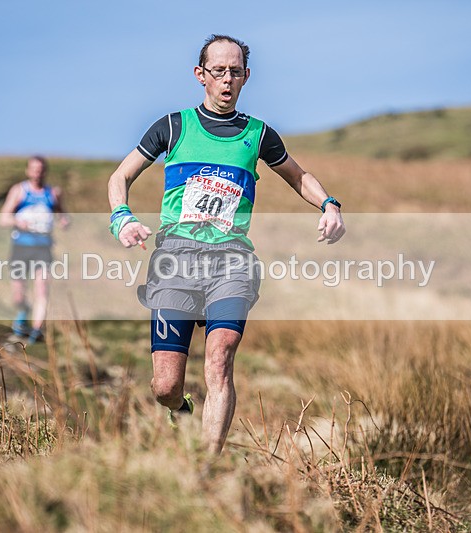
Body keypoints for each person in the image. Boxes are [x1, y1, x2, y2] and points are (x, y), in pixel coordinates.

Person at [107, 35, 345, 454]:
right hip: (175, 261)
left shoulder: (258, 134)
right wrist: (122, 217)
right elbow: (120, 176)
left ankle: (207, 467)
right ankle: (180, 409)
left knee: (220, 359)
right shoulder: (172, 126)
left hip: (232, 263)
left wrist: (329, 204)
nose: (227, 79)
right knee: (164, 385)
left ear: (246, 76)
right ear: (200, 75)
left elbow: (298, 176)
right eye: (218, 70)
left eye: (235, 71)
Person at [0, 155, 69, 345]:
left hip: (43, 248)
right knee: (18, 293)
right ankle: (23, 311)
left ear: (45, 171)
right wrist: (17, 221)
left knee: (42, 288)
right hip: (21, 246)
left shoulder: (52, 193)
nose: (37, 173)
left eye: (41, 169)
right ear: (28, 171)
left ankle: (36, 330)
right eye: (34, 169)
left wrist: (64, 221)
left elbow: (63, 215)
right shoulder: (19, 191)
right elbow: (3, 218)